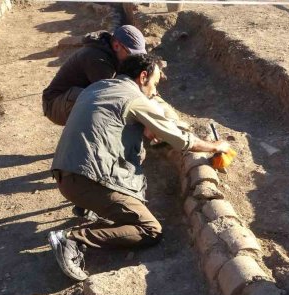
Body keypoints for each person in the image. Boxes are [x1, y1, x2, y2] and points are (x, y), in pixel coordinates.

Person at [47, 54, 230, 281]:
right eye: (154, 84)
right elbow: (180, 140)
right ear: (143, 76)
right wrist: (214, 146)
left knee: (132, 171)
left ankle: (92, 206)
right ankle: (73, 240)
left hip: (66, 174)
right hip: (86, 179)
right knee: (150, 230)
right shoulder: (134, 98)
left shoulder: (99, 87)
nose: (154, 91)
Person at [42, 25, 146, 126]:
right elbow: (111, 95)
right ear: (116, 46)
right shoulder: (97, 58)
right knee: (104, 102)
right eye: (132, 54)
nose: (135, 59)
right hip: (55, 104)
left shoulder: (111, 53)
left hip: (69, 98)